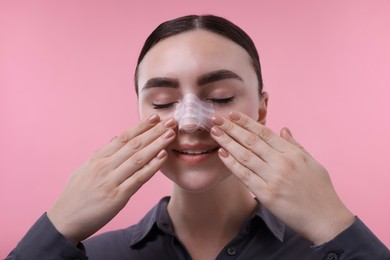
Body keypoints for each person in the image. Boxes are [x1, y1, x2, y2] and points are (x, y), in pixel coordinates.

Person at [6, 14, 390, 260]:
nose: (190, 122)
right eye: (162, 101)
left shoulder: (327, 250)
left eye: (219, 98)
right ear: (140, 113)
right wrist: (56, 228)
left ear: (261, 109)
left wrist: (335, 224)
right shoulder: (95, 255)